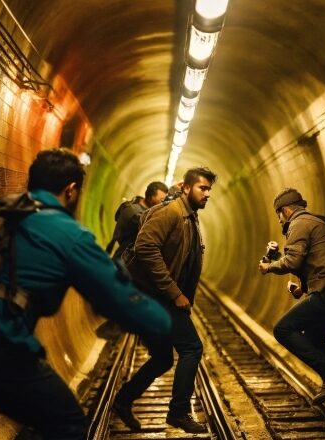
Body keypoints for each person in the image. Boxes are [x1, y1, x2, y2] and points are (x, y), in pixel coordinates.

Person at [0, 148, 171, 440]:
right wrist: (163, 322)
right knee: (67, 422)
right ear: (71, 190)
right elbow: (124, 302)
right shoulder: (67, 233)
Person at [113, 167, 217, 433]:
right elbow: (145, 247)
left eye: (209, 189)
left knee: (162, 359)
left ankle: (123, 401)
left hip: (158, 296)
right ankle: (179, 411)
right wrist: (175, 293)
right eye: (202, 188)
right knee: (192, 348)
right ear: (185, 188)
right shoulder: (170, 212)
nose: (207, 194)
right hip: (155, 296)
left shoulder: (188, 215)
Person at [258, 188, 325, 405]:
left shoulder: (299, 224)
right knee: (311, 337)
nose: (279, 220)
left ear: (286, 210)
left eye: (278, 214)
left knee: (283, 329)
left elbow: (292, 261)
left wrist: (268, 267)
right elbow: (319, 261)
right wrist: (302, 289)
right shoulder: (314, 221)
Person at [107, 181, 168, 261]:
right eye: (162, 200)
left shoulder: (138, 206)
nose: (163, 204)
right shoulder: (135, 214)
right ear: (151, 197)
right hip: (124, 259)